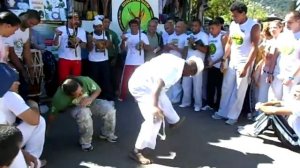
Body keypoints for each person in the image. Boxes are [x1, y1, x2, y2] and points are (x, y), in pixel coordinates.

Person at [128, 53, 204, 164]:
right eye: (191, 75)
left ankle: (173, 120)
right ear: (192, 70)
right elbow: (157, 87)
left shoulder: (175, 59)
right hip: (142, 86)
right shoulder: (175, 71)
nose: (188, 77)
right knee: (155, 119)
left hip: (143, 79)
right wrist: (154, 106)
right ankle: (137, 151)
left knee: (163, 99)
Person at [212, 1, 260, 125]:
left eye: (235, 15)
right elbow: (229, 43)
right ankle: (222, 112)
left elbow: (255, 48)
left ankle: (233, 116)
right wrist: (224, 59)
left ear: (243, 13)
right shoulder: (233, 25)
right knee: (226, 87)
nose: (233, 18)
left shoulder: (254, 26)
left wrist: (246, 67)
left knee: (239, 90)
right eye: (232, 15)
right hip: (232, 61)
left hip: (244, 62)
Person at [49, 76, 117, 151]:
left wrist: (91, 98)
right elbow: (52, 115)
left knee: (109, 108)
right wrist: (47, 129)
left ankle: (107, 133)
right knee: (84, 113)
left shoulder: (85, 80)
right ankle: (85, 142)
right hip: (76, 107)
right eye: (78, 94)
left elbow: (98, 90)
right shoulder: (59, 99)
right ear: (69, 95)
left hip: (91, 101)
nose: (81, 93)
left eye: (81, 90)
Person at [0, 63, 46, 168]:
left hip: (4, 139)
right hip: (4, 145)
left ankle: (31, 161)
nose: (18, 83)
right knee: (39, 121)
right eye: (14, 80)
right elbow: (34, 120)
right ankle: (33, 163)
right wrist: (33, 104)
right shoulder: (9, 95)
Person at [238, 85, 300, 149]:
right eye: (295, 91)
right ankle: (252, 127)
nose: (294, 94)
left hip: (296, 142)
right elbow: (278, 102)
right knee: (274, 109)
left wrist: (260, 107)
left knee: (273, 115)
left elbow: (274, 111)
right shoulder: (296, 103)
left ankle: (252, 131)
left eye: (298, 92)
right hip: (294, 134)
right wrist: (263, 104)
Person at [4, 9, 41, 99]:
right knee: (15, 89)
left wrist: (30, 68)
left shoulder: (27, 30)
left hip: (17, 60)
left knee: (24, 88)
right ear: (26, 16)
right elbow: (11, 53)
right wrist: (23, 70)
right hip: (7, 61)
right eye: (31, 23)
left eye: (34, 25)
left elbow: (26, 50)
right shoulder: (12, 26)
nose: (31, 26)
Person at [180, 19, 208, 111]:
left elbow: (205, 50)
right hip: (188, 63)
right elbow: (185, 49)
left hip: (198, 64)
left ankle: (197, 105)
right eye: (192, 26)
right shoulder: (188, 36)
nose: (193, 27)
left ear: (200, 26)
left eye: (196, 25)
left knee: (197, 85)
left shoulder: (204, 36)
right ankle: (186, 102)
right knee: (186, 84)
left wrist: (194, 44)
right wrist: (183, 61)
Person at [118, 19, 150, 101]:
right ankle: (122, 96)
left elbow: (148, 48)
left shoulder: (143, 35)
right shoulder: (127, 36)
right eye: (132, 26)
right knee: (125, 80)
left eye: (136, 26)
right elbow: (122, 49)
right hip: (129, 61)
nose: (134, 27)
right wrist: (123, 41)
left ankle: (139, 97)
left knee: (140, 80)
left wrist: (142, 44)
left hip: (140, 62)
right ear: (130, 27)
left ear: (138, 26)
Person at [53, 11, 87, 84]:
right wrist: (57, 36)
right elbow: (55, 45)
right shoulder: (60, 29)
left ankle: (75, 95)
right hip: (64, 58)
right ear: (69, 19)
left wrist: (79, 41)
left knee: (76, 81)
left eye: (77, 18)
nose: (76, 20)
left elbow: (84, 46)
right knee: (63, 81)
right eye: (74, 18)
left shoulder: (81, 30)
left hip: (77, 60)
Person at [202, 19, 228, 111]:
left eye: (212, 28)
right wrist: (209, 59)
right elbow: (210, 50)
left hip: (220, 66)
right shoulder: (210, 36)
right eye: (209, 28)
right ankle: (209, 104)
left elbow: (226, 53)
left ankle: (218, 106)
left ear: (219, 27)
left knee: (219, 87)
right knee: (210, 85)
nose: (211, 30)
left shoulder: (223, 37)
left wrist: (216, 61)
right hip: (211, 65)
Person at [87, 16, 114, 101]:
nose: (99, 28)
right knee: (94, 80)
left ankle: (108, 96)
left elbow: (109, 45)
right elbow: (89, 49)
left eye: (100, 26)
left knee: (106, 79)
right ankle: (95, 97)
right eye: (97, 26)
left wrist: (104, 44)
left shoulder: (106, 34)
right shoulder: (90, 35)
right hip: (93, 61)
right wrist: (91, 41)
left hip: (104, 60)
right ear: (94, 27)